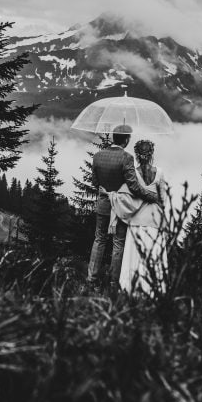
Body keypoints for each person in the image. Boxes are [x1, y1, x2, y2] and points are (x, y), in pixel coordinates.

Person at [87, 125, 159, 293]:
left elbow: (95, 182)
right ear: (126, 140)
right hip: (120, 206)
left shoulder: (98, 156)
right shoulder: (126, 157)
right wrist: (151, 196)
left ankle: (92, 280)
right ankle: (113, 283)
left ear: (113, 138)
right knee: (118, 243)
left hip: (104, 204)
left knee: (99, 239)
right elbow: (134, 186)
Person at [118, 139, 167, 295]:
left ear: (137, 155)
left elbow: (128, 194)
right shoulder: (159, 172)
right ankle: (153, 290)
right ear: (151, 153)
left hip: (137, 218)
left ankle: (130, 288)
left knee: (134, 255)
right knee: (154, 255)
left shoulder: (133, 174)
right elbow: (162, 199)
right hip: (155, 219)